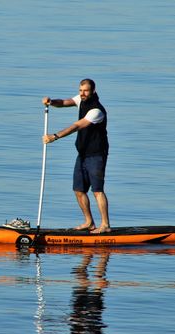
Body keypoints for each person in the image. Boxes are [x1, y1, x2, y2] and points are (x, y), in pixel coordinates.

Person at [42, 79, 111, 233]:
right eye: (80, 90)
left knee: (97, 191)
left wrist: (55, 136)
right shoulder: (80, 99)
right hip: (82, 153)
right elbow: (65, 102)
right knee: (79, 190)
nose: (82, 93)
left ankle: (105, 225)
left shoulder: (97, 111)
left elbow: (77, 126)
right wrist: (52, 102)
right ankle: (89, 222)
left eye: (85, 91)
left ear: (93, 91)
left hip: (97, 154)